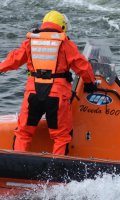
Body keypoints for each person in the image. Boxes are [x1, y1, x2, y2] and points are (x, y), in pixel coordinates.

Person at [0, 10, 97, 155]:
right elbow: (83, 65)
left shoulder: (31, 41)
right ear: (62, 27)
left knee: (24, 133)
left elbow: (14, 60)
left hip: (33, 93)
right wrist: (90, 83)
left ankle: (19, 166)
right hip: (57, 95)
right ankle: (55, 174)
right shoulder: (65, 43)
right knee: (60, 137)